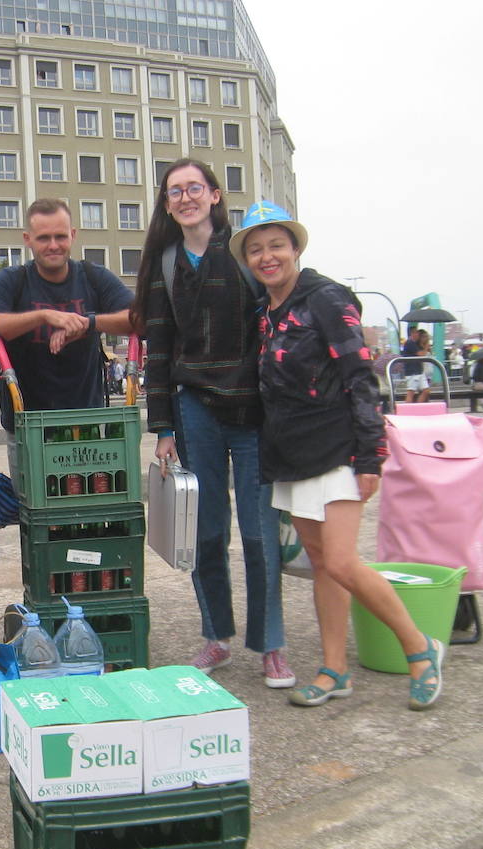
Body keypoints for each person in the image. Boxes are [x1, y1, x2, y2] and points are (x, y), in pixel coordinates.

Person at [232, 201, 444, 710]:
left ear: (296, 248)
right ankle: (334, 669)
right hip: (290, 453)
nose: (267, 257)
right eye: (256, 249)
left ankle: (421, 649)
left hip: (338, 448)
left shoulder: (327, 298)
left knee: (344, 561)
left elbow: (360, 375)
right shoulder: (265, 313)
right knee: (323, 565)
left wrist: (371, 454)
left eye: (276, 245)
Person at [131, 160, 293, 686]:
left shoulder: (245, 253)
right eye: (174, 191)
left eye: (193, 188)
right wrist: (163, 428)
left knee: (259, 530)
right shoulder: (165, 261)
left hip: (253, 413)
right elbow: (159, 349)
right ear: (166, 202)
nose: (184, 198)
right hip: (194, 409)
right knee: (205, 532)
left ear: (215, 196)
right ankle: (216, 637)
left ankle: (270, 644)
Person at [0, 199, 134, 470]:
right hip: (28, 426)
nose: (53, 245)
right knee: (32, 510)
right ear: (28, 239)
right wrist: (43, 316)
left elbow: (139, 319)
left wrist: (87, 323)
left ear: (73, 235)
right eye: (44, 238)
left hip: (86, 423)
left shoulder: (94, 277)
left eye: (60, 236)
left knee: (86, 508)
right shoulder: (13, 280)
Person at [401, 327, 431, 403]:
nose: (418, 334)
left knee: (426, 390)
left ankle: (418, 407)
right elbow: (421, 354)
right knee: (411, 392)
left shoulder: (415, 344)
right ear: (412, 333)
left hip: (419, 371)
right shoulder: (409, 343)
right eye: (416, 332)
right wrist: (426, 347)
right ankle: (407, 410)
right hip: (412, 372)